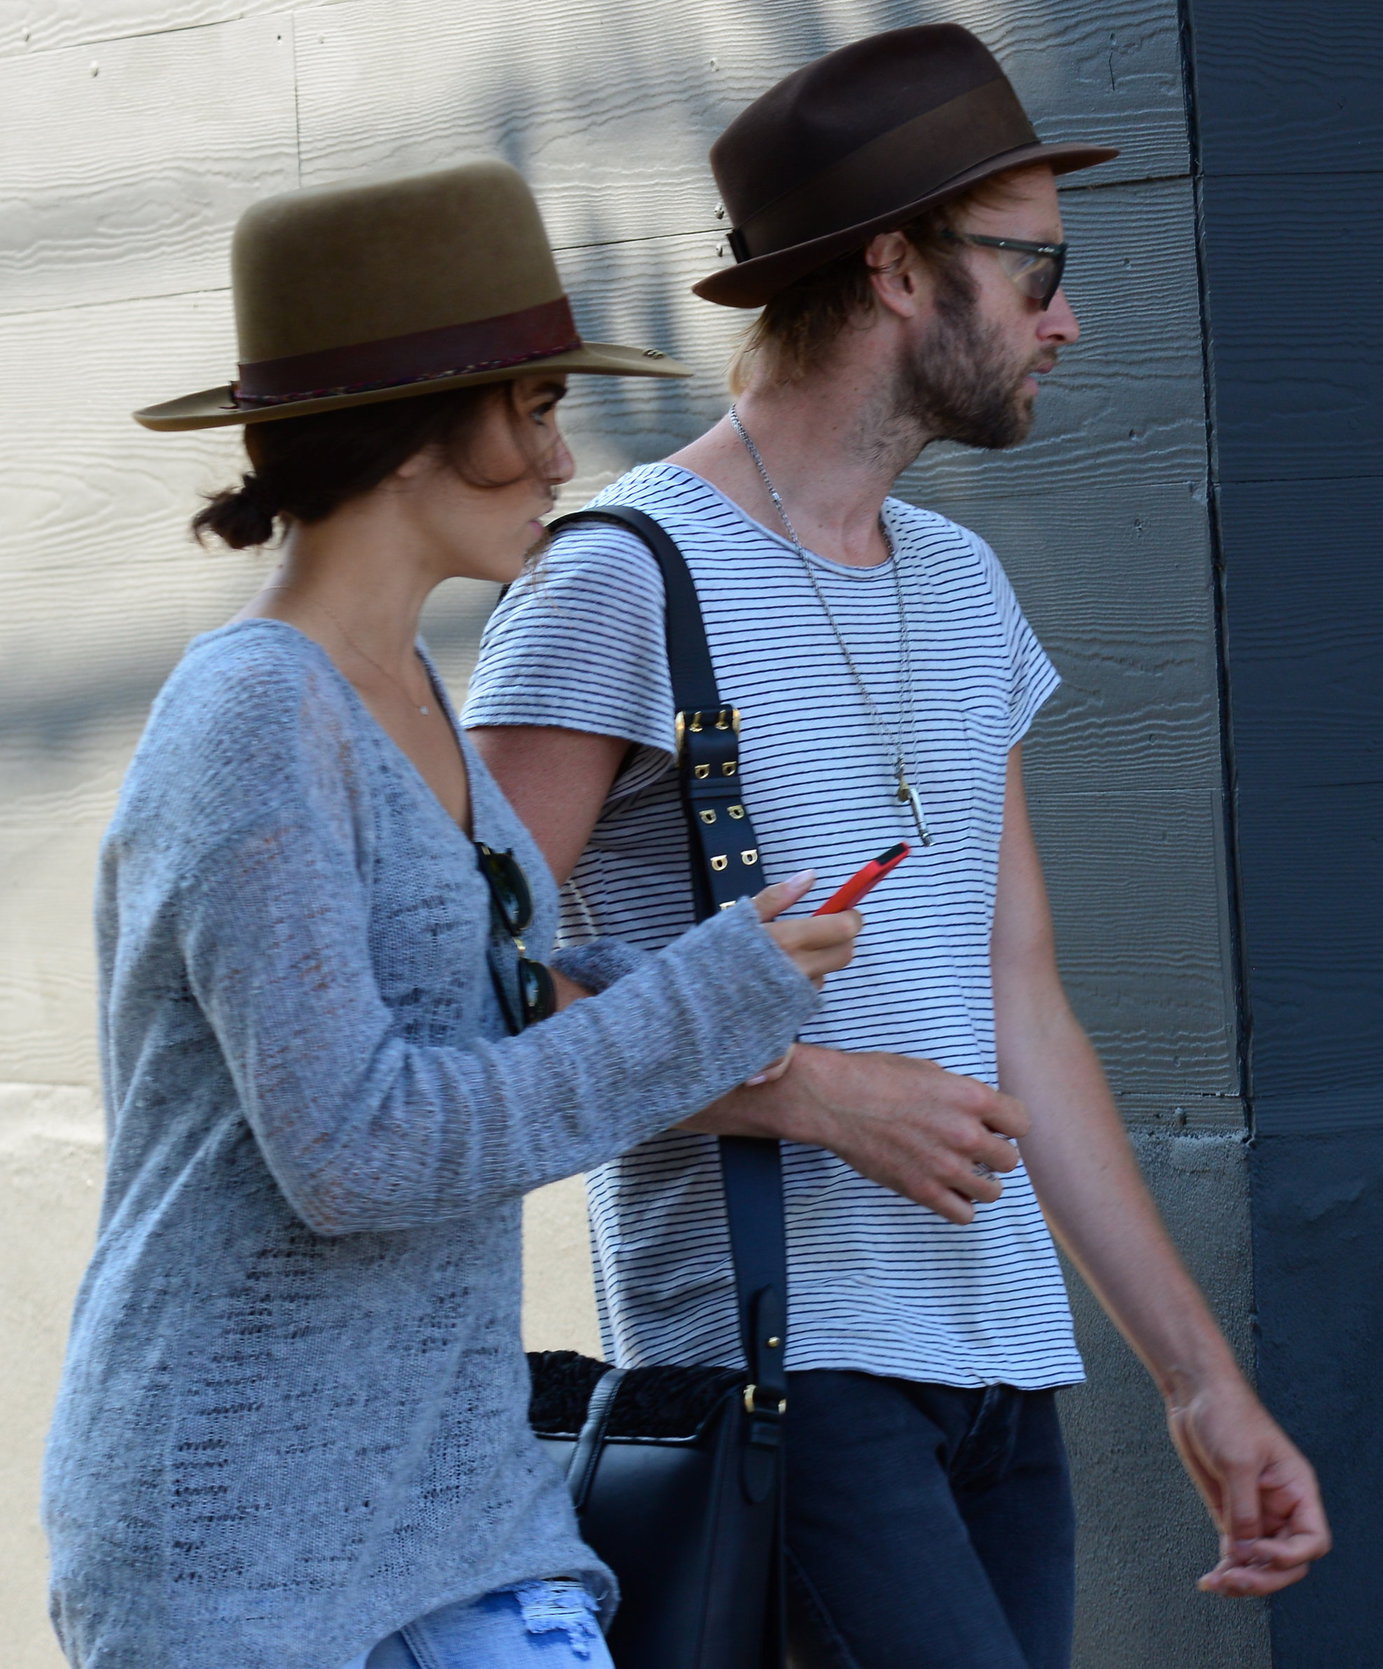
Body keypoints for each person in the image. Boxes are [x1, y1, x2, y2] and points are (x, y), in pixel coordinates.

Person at [464, 26, 1331, 1669]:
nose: (1069, 317)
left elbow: (1024, 1005)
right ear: (895, 271)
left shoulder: (961, 583)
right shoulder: (617, 580)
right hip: (775, 1370)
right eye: (1037, 270)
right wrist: (800, 1090)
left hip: (1000, 1371)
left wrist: (1199, 1379)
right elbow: (455, 999)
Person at [41, 159, 880, 1669]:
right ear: (418, 425)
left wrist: (702, 973)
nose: (564, 458)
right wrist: (702, 1006)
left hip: (462, 1505)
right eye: (537, 407)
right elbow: (356, 1149)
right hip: (236, 1544)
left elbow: (488, 997)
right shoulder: (249, 720)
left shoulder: (416, 688)